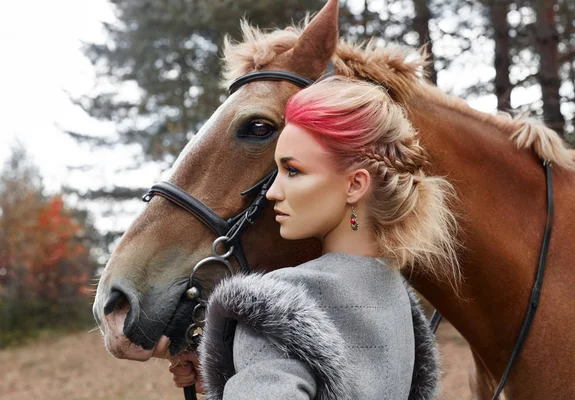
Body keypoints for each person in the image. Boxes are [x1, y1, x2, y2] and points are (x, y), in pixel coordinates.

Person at [169, 77, 460, 399]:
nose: (273, 192)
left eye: (293, 171)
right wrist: (234, 369)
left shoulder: (274, 307)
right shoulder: (397, 302)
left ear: (355, 185)